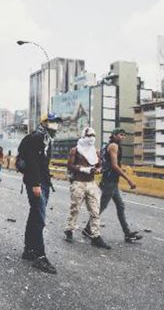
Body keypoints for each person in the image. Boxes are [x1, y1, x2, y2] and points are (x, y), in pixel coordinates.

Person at [17, 112, 62, 274]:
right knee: (40, 219)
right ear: (44, 122)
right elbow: (33, 163)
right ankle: (40, 257)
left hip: (42, 182)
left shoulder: (45, 139)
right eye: (52, 122)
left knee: (35, 216)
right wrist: (36, 184)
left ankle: (29, 250)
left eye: (57, 122)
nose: (55, 125)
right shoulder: (37, 138)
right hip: (37, 184)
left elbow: (41, 163)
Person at [85, 128, 143, 243]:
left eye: (124, 135)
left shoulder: (110, 145)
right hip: (109, 181)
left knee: (120, 206)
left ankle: (127, 234)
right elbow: (115, 165)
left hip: (111, 181)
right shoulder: (113, 146)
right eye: (121, 135)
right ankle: (88, 229)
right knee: (101, 207)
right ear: (114, 135)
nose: (123, 137)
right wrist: (129, 179)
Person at [65, 127, 111, 249]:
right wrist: (83, 169)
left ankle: (96, 236)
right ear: (84, 136)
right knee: (75, 209)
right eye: (89, 135)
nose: (92, 138)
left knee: (95, 211)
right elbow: (69, 165)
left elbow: (100, 165)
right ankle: (69, 230)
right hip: (78, 183)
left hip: (91, 184)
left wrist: (98, 170)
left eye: (94, 135)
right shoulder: (75, 150)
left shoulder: (95, 152)